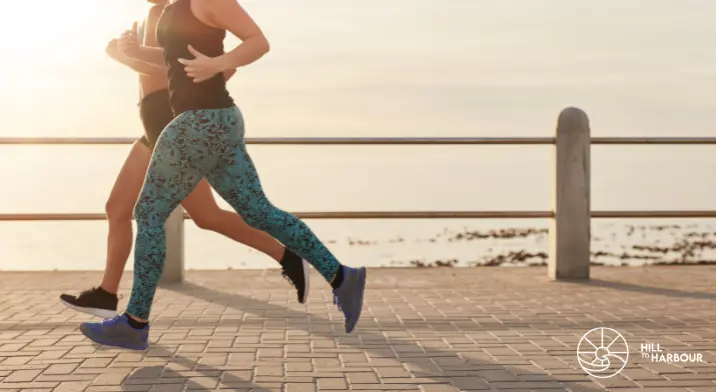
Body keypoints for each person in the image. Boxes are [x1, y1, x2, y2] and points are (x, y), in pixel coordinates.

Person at [79, 0, 367, 350]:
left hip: (197, 123)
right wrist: (135, 51)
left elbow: (258, 41)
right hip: (218, 121)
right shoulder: (175, 10)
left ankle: (135, 323)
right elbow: (173, 63)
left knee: (149, 214)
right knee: (258, 211)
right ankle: (342, 276)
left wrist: (220, 62)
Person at [60, 0, 310, 320]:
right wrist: (132, 54)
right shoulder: (159, 15)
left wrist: (124, 57)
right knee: (127, 209)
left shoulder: (177, 15)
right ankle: (107, 295)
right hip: (154, 127)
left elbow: (174, 69)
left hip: (170, 126)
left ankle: (289, 256)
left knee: (203, 215)